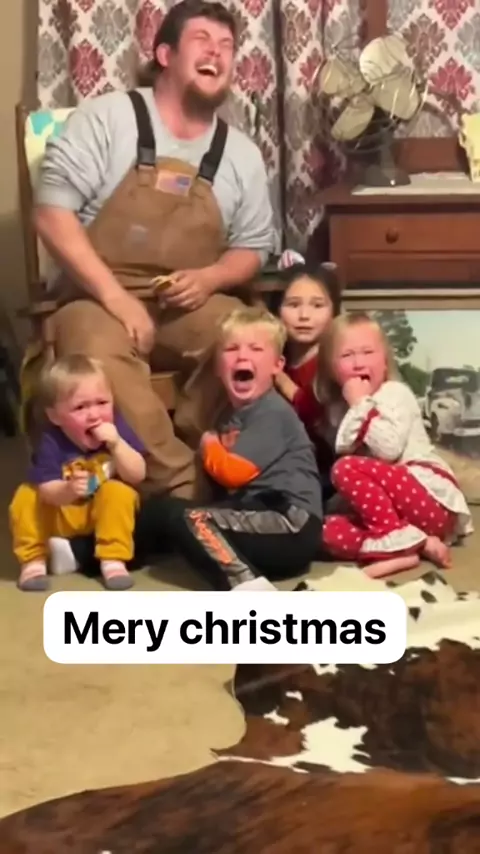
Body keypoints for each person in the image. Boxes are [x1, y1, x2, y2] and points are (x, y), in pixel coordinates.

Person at [32, 0, 275, 501]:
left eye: (227, 45)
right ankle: (184, 487)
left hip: (186, 300)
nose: (217, 53)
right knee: (93, 356)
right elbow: (51, 213)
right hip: (96, 297)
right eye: (202, 40)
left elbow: (253, 248)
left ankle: (216, 454)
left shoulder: (241, 153)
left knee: (247, 337)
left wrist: (210, 278)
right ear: (165, 55)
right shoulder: (106, 118)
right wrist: (117, 299)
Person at [136, 306, 323, 590]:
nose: (242, 356)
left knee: (194, 519)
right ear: (217, 368)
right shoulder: (232, 417)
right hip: (254, 516)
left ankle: (249, 588)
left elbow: (232, 473)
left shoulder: (272, 412)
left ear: (277, 365)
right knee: (164, 511)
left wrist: (208, 443)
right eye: (232, 349)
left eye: (256, 348)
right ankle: (89, 553)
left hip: (290, 521)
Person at [315, 312, 473, 578]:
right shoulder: (337, 410)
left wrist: (360, 404)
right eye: (347, 355)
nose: (358, 363)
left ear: (385, 361)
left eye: (368, 352)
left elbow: (387, 450)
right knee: (323, 531)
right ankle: (417, 543)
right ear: (332, 369)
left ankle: (395, 543)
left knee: (344, 469)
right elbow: (362, 476)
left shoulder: (394, 393)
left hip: (427, 500)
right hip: (397, 516)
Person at [10, 355, 146, 591]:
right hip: (63, 512)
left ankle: (113, 559)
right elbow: (47, 490)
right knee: (26, 496)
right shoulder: (51, 441)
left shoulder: (118, 430)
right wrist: (68, 490)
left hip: (101, 516)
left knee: (119, 491)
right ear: (55, 416)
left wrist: (117, 445)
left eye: (102, 403)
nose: (94, 415)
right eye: (80, 407)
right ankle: (33, 561)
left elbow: (138, 474)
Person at [272, 250, 341, 497]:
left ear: (334, 312)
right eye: (293, 305)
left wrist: (283, 382)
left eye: (317, 305)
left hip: (328, 473)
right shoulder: (275, 357)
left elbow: (323, 420)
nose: (304, 316)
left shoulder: (335, 363)